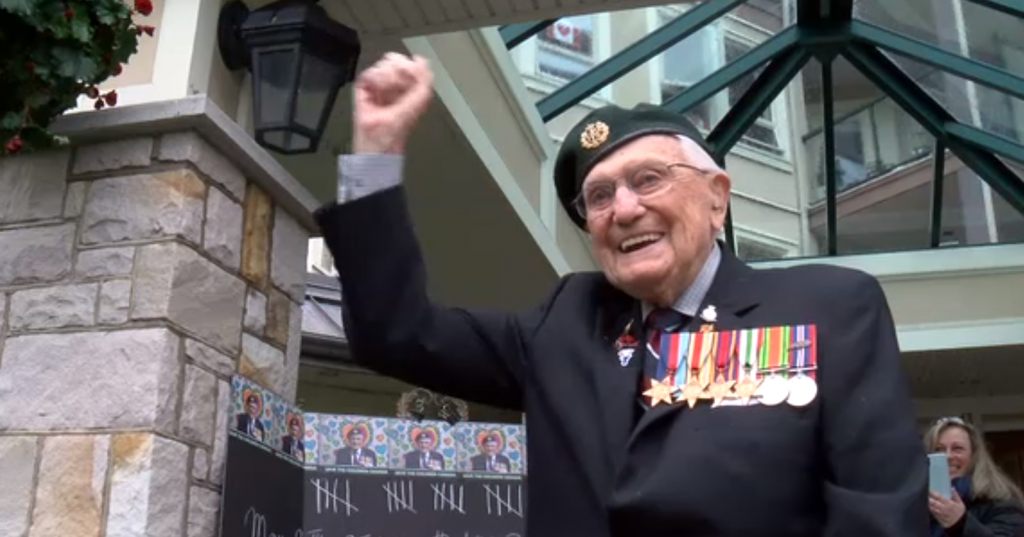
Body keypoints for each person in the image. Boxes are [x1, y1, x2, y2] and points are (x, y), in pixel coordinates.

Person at [314, 52, 928, 536]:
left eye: (648, 180)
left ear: (717, 197)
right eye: (599, 198)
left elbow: (877, 512)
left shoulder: (826, 307)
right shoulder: (565, 321)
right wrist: (376, 155)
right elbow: (395, 332)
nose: (624, 209)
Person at [925, 417, 1024, 536]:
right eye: (938, 449)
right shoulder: (914, 506)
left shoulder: (1002, 504)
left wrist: (960, 523)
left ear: (974, 456)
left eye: (957, 448)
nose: (948, 456)